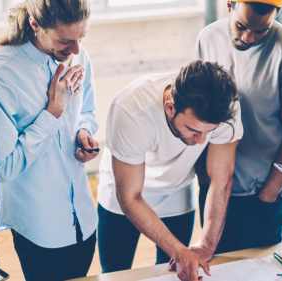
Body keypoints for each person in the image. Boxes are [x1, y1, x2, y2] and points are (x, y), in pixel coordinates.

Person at [0, 0, 98, 280]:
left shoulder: (75, 52)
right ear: (35, 25)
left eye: (81, 38)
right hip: (41, 228)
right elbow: (4, 167)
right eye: (65, 40)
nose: (76, 51)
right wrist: (52, 113)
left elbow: (88, 109)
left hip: (85, 218)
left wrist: (83, 131)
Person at [97, 60, 243, 281]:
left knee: (172, 274)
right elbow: (129, 196)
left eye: (209, 131)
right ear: (170, 107)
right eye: (193, 129)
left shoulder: (225, 108)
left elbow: (221, 179)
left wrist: (207, 245)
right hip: (123, 196)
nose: (202, 140)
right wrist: (179, 250)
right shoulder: (131, 109)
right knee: (116, 274)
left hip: (177, 191)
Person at [194, 0, 282, 253]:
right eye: (241, 26)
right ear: (230, 4)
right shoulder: (207, 38)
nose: (248, 37)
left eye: (261, 30)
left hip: (260, 193)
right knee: (215, 267)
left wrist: (269, 193)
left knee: (258, 271)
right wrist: (201, 174)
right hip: (213, 187)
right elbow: (196, 106)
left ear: (276, 15)